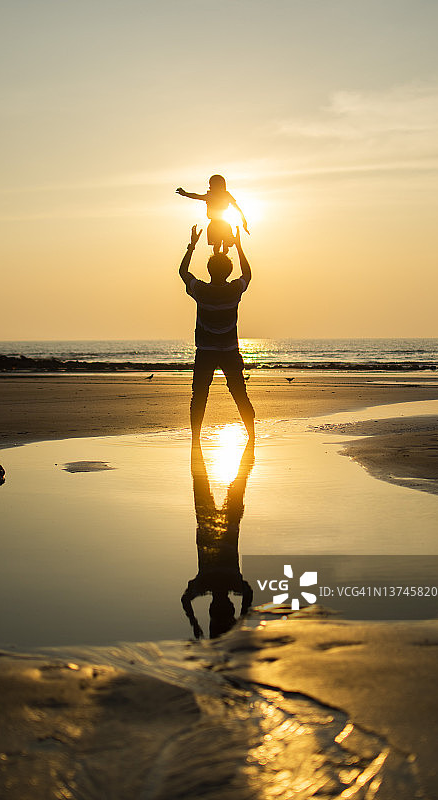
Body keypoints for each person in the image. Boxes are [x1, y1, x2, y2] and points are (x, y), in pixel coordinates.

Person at [179, 224, 255, 444]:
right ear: (229, 272)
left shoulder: (201, 290)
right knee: (240, 394)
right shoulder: (234, 290)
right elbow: (248, 274)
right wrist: (238, 246)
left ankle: (195, 438)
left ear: (209, 269)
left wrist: (192, 245)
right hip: (230, 352)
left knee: (199, 396)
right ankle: (251, 436)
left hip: (205, 352)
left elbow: (183, 272)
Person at [181, 440, 254, 639]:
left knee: (239, 478)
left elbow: (248, 594)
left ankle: (248, 441)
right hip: (208, 523)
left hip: (224, 524)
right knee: (200, 477)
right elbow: (185, 600)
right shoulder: (204, 584)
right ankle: (198, 439)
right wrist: (194, 623)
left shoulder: (232, 583)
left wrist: (242, 618)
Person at [176, 174, 249, 254]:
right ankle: (219, 254)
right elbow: (197, 196)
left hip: (222, 224)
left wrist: (244, 221)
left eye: (211, 185)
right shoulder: (212, 195)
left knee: (224, 246)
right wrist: (185, 194)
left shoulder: (224, 195)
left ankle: (223, 251)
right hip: (216, 224)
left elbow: (237, 208)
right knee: (217, 246)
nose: (209, 187)